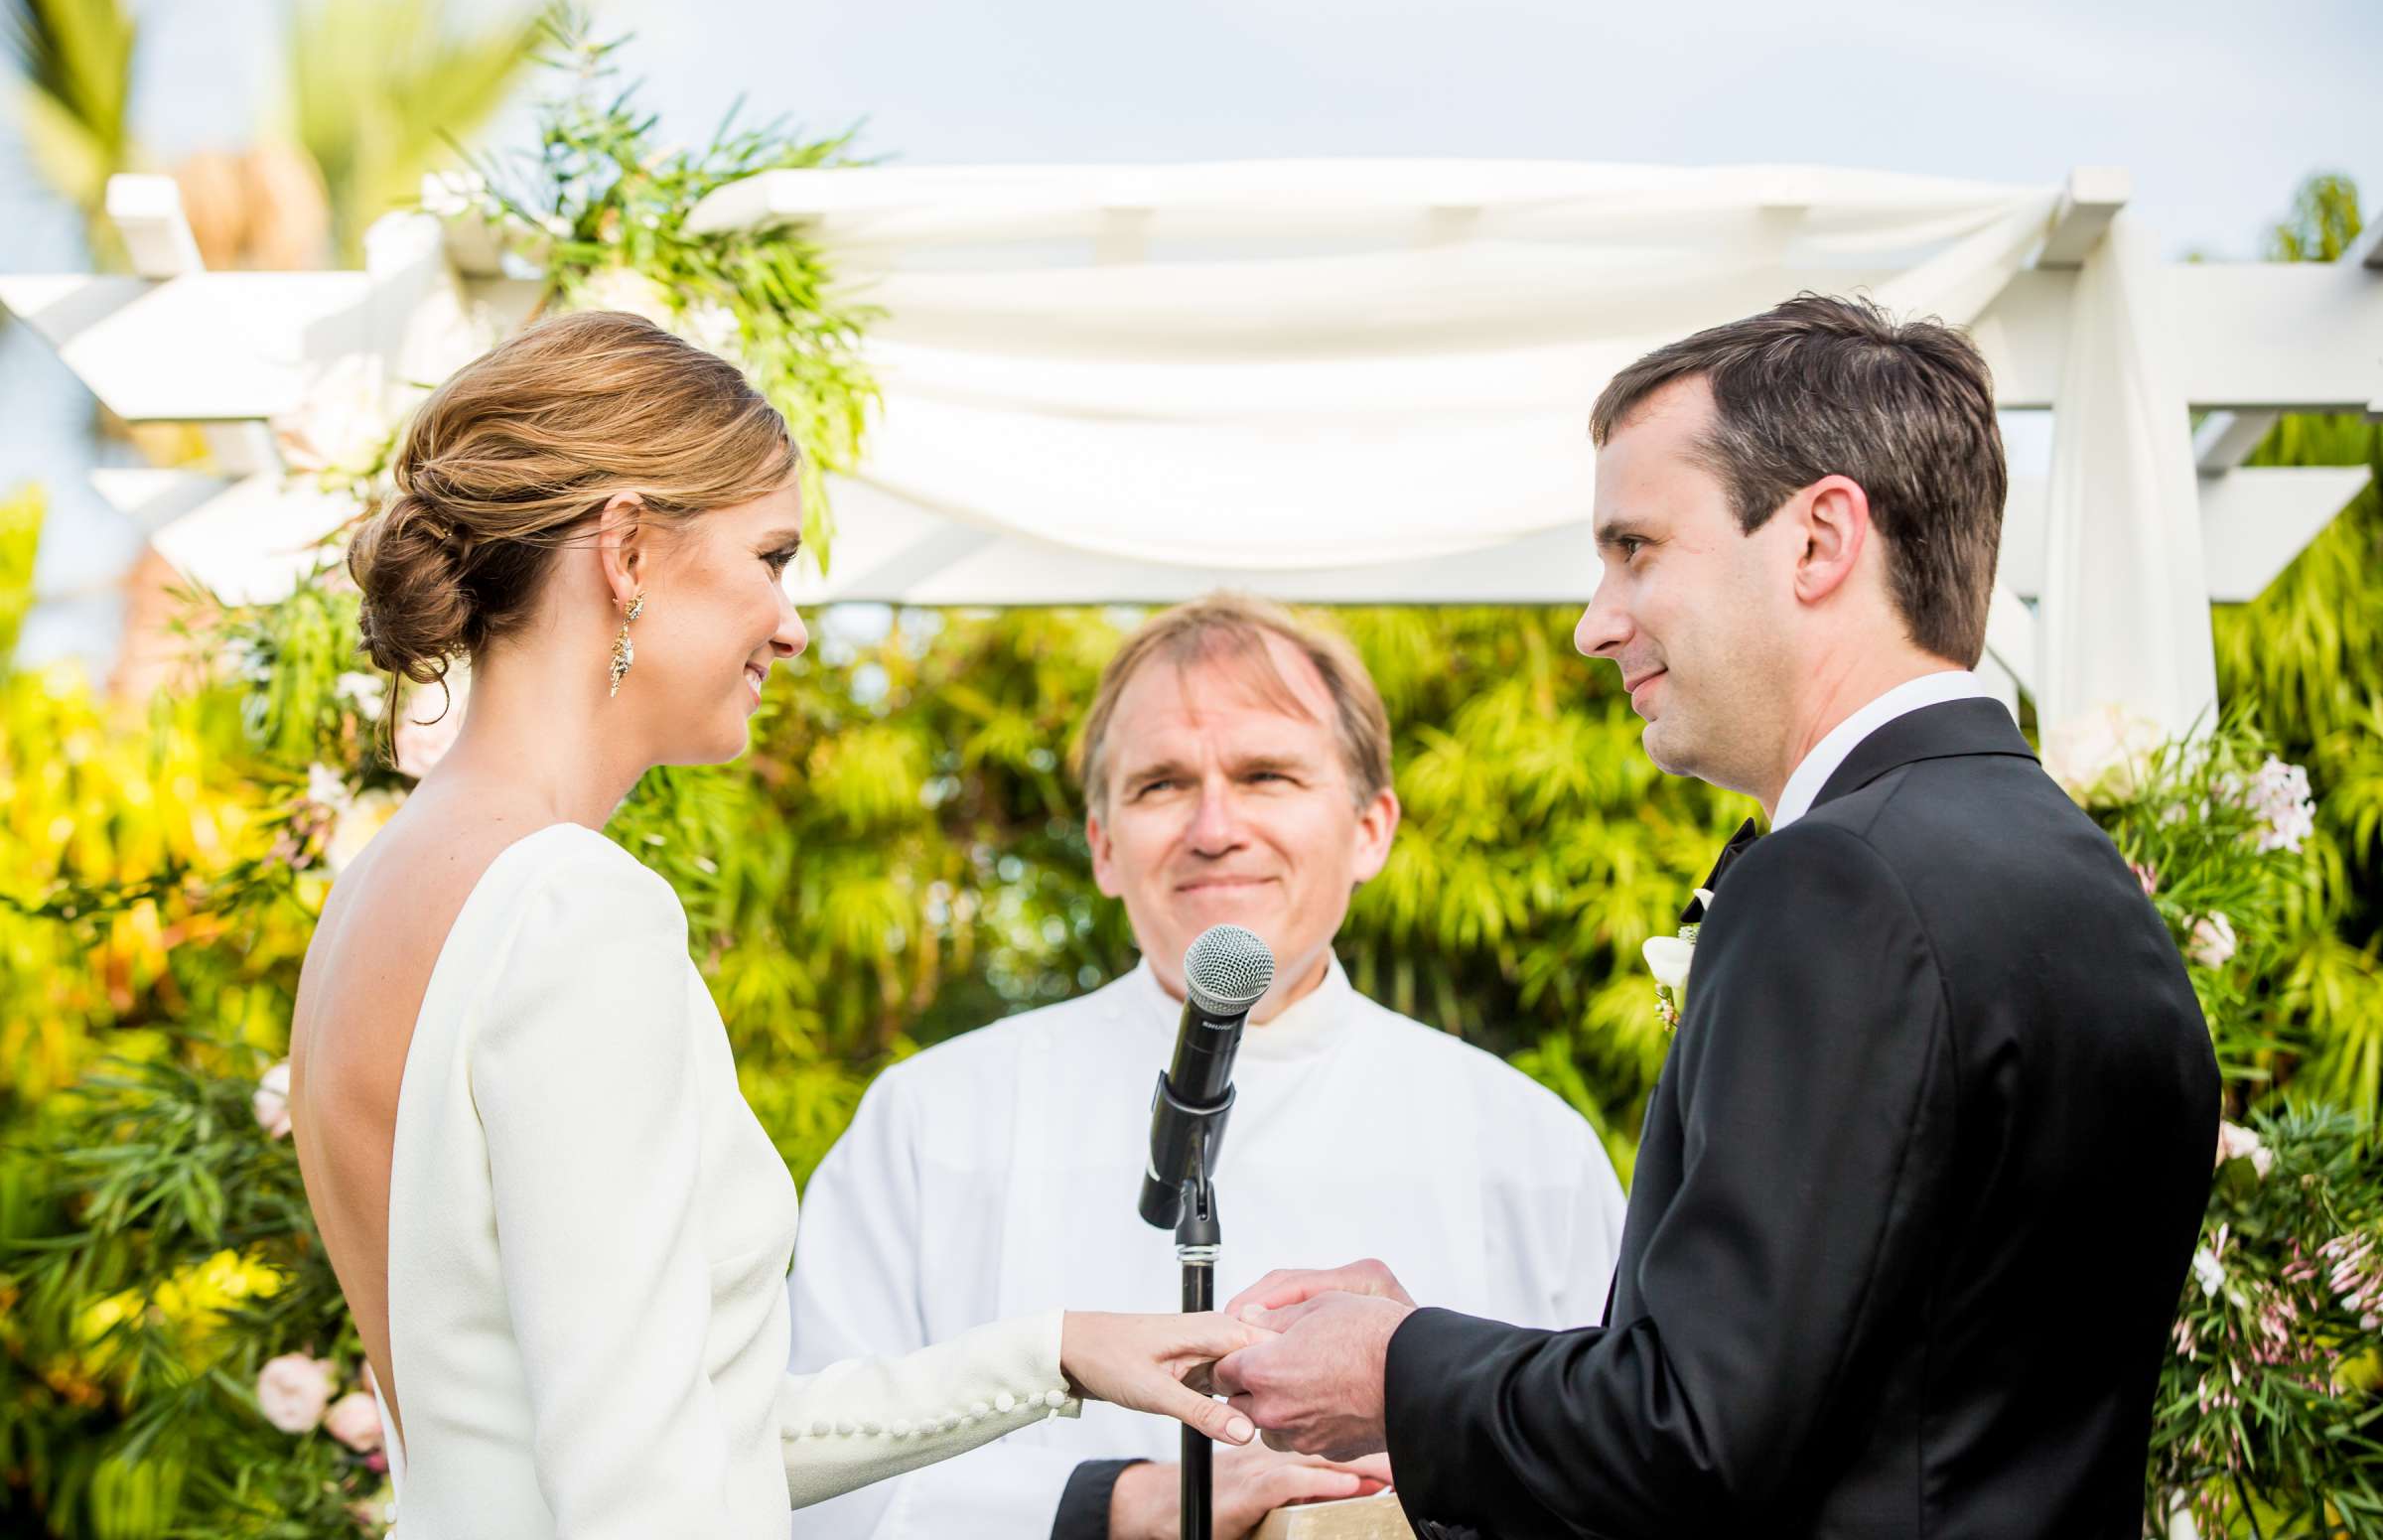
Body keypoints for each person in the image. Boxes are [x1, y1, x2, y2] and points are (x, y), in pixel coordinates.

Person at [1212, 294, 2220, 1539]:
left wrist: (1397, 1368)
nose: (1595, 622)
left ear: (1818, 540)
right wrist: (1434, 1345)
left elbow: (1691, 1444)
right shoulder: (2086, 885)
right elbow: (1857, 1394)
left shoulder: (1837, 882)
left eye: (1636, 547)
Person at [286, 312, 1264, 1540]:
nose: (794, 624)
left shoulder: (379, 892)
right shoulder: (573, 906)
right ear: (629, 549)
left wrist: (1050, 1354)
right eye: (771, 557)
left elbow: (677, 1433)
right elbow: (643, 1498)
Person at [787, 594, 1627, 1540]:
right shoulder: (931, 1119)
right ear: (1103, 846)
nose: (1215, 827)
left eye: (1267, 774)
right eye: (1160, 785)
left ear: (1371, 829)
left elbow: (1617, 1472)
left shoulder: (1527, 1141)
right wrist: (1128, 1505)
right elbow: (808, 1479)